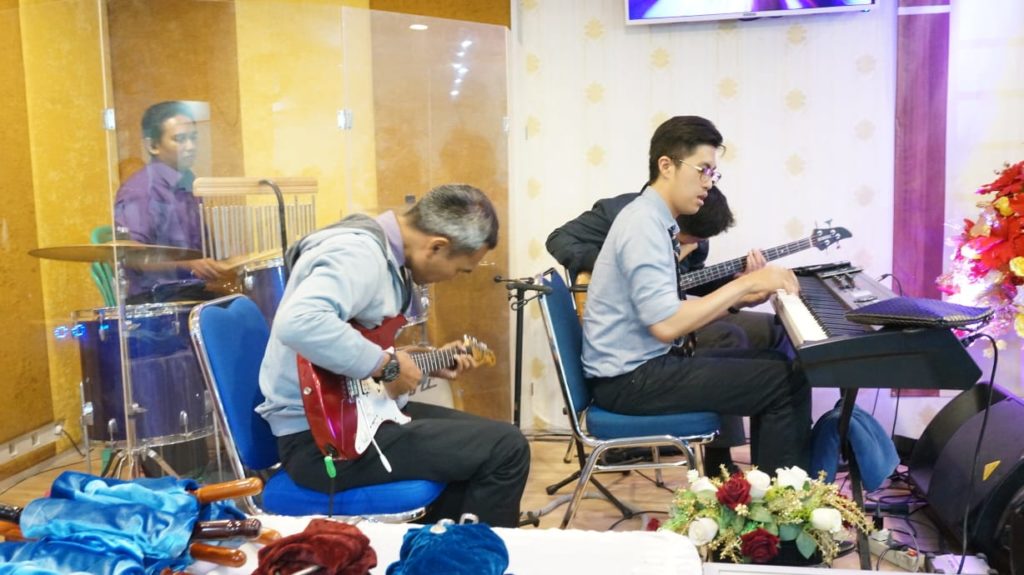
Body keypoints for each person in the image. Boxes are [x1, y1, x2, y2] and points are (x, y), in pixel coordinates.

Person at [258, 184, 531, 527]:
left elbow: (343, 349)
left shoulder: (382, 254)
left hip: (352, 418)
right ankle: (473, 552)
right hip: (322, 443)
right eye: (461, 270)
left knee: (493, 440)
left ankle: (441, 548)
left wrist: (414, 359)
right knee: (506, 449)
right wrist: (387, 366)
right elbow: (300, 322)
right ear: (437, 246)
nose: (452, 279)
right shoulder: (359, 254)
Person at [582, 116, 811, 474]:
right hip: (630, 381)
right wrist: (746, 284)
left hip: (639, 370)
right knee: (785, 383)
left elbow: (668, 314)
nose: (708, 183)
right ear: (666, 166)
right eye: (703, 170)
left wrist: (736, 301)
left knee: (780, 366)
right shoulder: (643, 225)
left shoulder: (653, 220)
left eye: (713, 173)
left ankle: (768, 494)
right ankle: (784, 501)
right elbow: (666, 325)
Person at [114, 100, 229, 303]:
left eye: (193, 138)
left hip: (193, 291)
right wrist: (188, 264)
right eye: (180, 139)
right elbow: (132, 256)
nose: (191, 146)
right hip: (157, 299)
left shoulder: (189, 183)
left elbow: (202, 247)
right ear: (152, 146)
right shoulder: (140, 191)